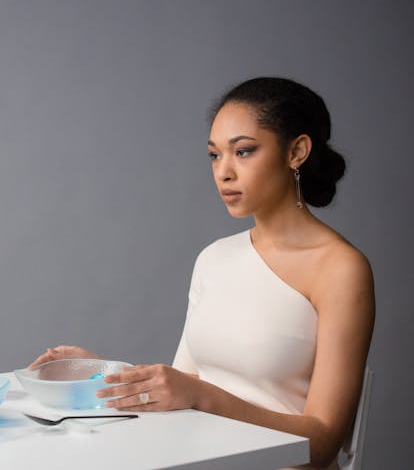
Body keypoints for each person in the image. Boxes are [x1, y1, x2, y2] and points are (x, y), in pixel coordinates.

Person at [28, 77, 375, 469]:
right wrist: (105, 374)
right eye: (214, 155)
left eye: (243, 152)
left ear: (296, 151)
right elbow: (181, 390)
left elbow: (322, 443)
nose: (223, 172)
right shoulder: (214, 259)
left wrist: (202, 397)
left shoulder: (340, 268)